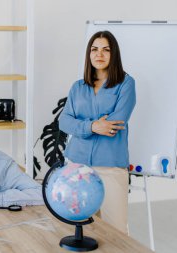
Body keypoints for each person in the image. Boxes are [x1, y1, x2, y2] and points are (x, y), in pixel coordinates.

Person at [59, 31, 136, 234]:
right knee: (79, 228)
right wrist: (92, 126)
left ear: (114, 54)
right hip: (77, 166)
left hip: (110, 167)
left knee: (116, 230)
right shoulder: (77, 87)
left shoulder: (126, 84)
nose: (99, 54)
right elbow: (64, 121)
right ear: (89, 54)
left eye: (105, 49)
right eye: (94, 49)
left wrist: (81, 125)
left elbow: (114, 124)